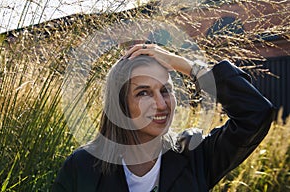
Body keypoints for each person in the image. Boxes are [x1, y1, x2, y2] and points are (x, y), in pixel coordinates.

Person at [52, 44, 275, 192]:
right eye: (143, 93)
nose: (161, 104)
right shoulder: (82, 168)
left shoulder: (195, 156)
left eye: (166, 90)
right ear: (120, 106)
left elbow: (255, 113)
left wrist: (186, 66)